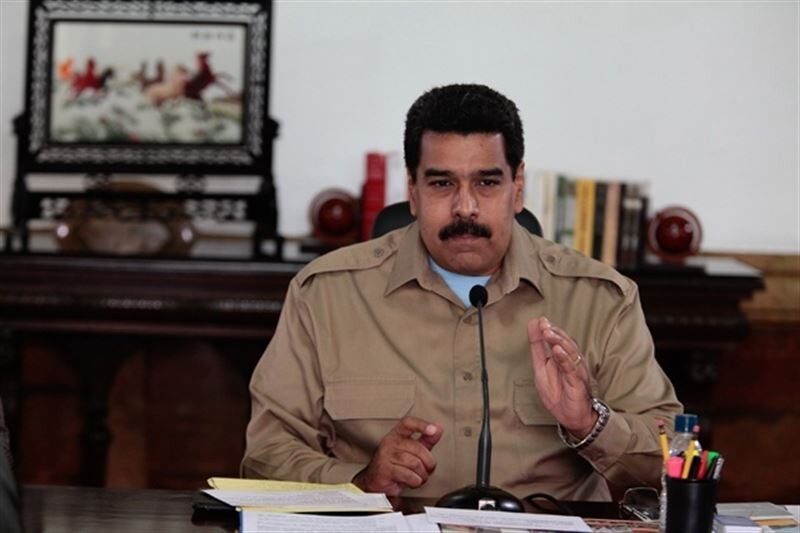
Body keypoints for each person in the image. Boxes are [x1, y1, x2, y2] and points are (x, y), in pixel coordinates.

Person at [242, 83, 682, 501]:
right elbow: (265, 457)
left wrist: (590, 423)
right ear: (412, 191)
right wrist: (358, 482)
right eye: (442, 183)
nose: (465, 207)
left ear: (518, 188)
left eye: (487, 183)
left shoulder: (600, 299)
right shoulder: (326, 294)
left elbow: (672, 463)